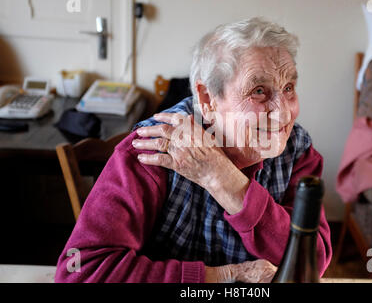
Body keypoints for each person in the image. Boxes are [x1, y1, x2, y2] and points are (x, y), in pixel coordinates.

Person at [55, 17, 332, 283]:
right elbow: (82, 273)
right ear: (207, 99)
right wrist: (223, 276)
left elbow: (312, 260)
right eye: (259, 91)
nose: (283, 113)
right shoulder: (153, 149)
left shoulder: (297, 152)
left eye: (288, 88)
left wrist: (223, 178)